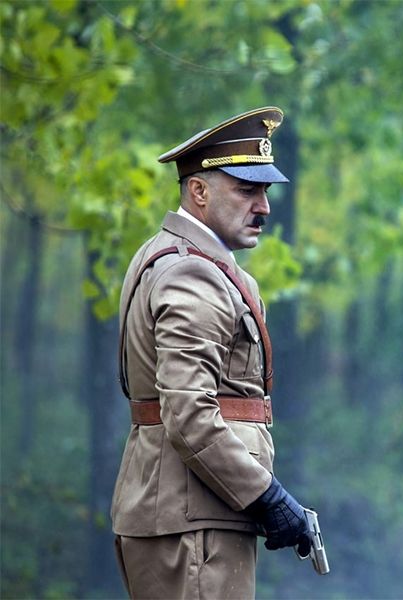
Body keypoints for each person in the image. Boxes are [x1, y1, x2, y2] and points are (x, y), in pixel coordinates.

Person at [111, 107, 310, 599]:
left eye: (264, 191)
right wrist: (265, 496)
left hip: (189, 515)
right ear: (198, 191)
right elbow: (188, 414)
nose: (263, 206)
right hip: (193, 522)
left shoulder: (172, 259)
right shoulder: (191, 274)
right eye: (247, 190)